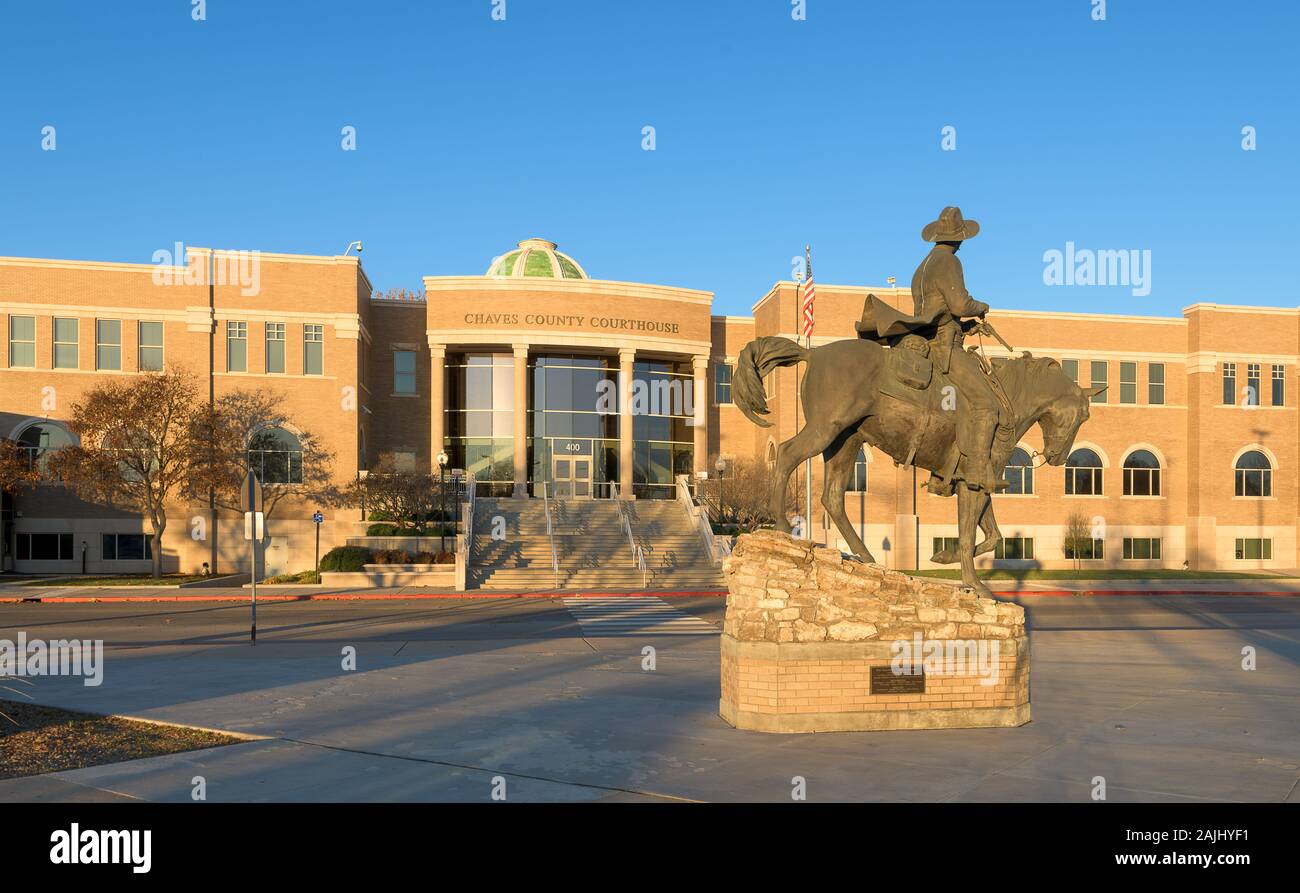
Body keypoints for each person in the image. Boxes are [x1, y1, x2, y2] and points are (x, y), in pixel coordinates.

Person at [855, 206, 1008, 493]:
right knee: (986, 403)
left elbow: (936, 311)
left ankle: (943, 474)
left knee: (956, 407)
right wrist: (980, 307)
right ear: (959, 238)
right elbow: (960, 305)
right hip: (944, 349)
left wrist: (965, 328)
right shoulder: (950, 263)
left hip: (932, 339)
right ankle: (976, 469)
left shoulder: (922, 267)